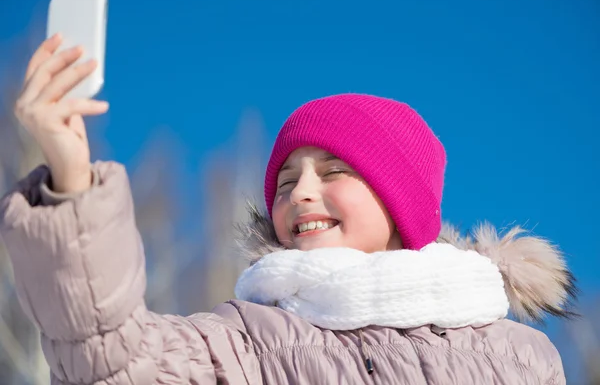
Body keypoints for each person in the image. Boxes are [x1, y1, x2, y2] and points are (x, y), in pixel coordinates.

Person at [0, 35, 576, 385]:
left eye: (333, 172)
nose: (298, 193)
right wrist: (73, 181)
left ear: (400, 200)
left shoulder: (518, 354)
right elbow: (113, 362)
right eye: (283, 182)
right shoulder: (245, 341)